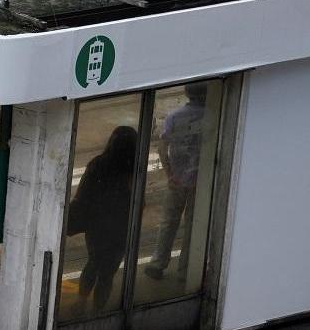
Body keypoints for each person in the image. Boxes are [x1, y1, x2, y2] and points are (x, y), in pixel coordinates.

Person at [145, 86, 211, 280]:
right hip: (200, 181)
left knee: (168, 222)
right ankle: (186, 269)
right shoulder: (212, 116)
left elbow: (162, 147)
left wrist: (169, 174)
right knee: (193, 224)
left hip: (177, 179)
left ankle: (157, 263)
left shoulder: (174, 117)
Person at [73, 126, 140, 312]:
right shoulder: (134, 168)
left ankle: (81, 302)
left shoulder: (98, 164)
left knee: (93, 262)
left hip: (97, 224)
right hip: (122, 226)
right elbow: (138, 200)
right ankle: (98, 309)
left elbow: (83, 194)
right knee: (108, 272)